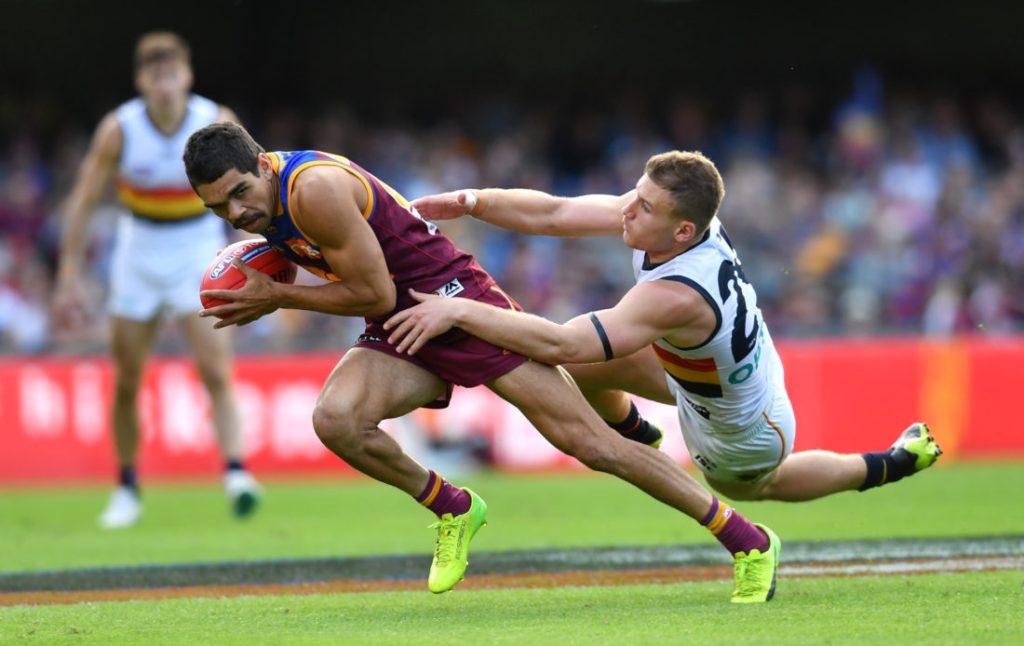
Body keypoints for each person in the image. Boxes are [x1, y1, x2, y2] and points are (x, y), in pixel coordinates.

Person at [184, 123, 781, 603]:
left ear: (263, 164)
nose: (236, 213)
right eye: (219, 207)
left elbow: (372, 293)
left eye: (240, 192)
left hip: (452, 302)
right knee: (336, 420)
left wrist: (279, 294)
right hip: (400, 320)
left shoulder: (311, 190)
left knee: (589, 444)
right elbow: (379, 302)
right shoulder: (267, 207)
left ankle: (746, 540)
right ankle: (454, 507)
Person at [385, 150, 943, 507]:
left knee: (757, 489)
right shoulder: (680, 223)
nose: (629, 211)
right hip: (703, 372)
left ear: (681, 231)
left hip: (741, 431)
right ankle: (637, 433)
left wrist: (456, 309)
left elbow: (561, 340)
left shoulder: (675, 294)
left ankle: (885, 465)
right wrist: (471, 201)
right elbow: (555, 214)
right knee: (582, 371)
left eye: (644, 206)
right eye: (635, 195)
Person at [53, 32, 261, 529]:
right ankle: (126, 485)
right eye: (155, 74)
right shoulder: (120, 129)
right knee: (126, 380)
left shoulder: (216, 120)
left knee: (215, 370)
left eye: (173, 73)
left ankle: (236, 473)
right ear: (141, 80)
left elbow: (260, 183)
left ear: (188, 76)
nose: (165, 84)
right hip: (139, 252)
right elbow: (82, 199)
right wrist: (68, 272)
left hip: (196, 249)